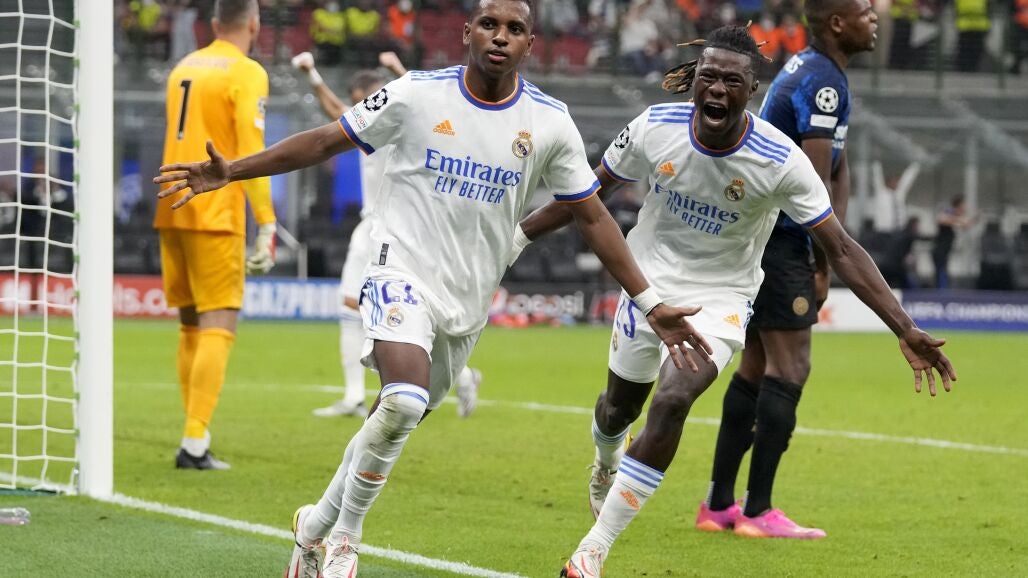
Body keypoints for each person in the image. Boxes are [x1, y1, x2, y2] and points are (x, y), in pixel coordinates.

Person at [154, 1, 709, 575]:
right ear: (468, 32)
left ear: (529, 44)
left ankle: (313, 525)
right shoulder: (415, 93)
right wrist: (233, 171)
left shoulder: (549, 122)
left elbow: (591, 215)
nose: (500, 37)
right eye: (489, 24)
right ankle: (345, 538)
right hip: (399, 268)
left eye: (515, 29)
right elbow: (324, 141)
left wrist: (649, 302)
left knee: (394, 417)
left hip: (468, 296)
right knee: (402, 400)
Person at [512, 25, 954, 576]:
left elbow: (840, 247)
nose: (717, 89)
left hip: (720, 301)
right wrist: (514, 240)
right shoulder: (654, 126)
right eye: (708, 77)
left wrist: (904, 327)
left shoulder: (779, 159)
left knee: (674, 399)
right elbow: (588, 193)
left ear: (751, 89)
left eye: (731, 81)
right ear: (693, 80)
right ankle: (606, 456)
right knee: (617, 409)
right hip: (646, 287)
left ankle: (591, 552)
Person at [699, 0, 879, 539]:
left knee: (756, 365)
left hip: (761, 236)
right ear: (837, 23)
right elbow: (815, 187)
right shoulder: (823, 82)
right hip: (782, 242)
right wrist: (824, 265)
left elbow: (836, 167)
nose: (874, 16)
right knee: (791, 366)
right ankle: (758, 511)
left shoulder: (812, 70)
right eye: (864, 9)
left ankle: (719, 505)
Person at [292, 50, 485, 419]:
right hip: (369, 227)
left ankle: (462, 377)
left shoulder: (401, 121)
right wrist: (313, 76)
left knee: (417, 318)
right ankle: (353, 396)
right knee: (350, 305)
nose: (359, 108)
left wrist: (395, 69)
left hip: (401, 229)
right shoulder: (365, 123)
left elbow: (429, 103)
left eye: (362, 100)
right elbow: (337, 113)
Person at [153, 0, 278, 471]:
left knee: (190, 324)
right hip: (216, 209)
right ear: (254, 24)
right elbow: (250, 147)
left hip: (171, 204)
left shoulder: (183, 66)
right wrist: (265, 219)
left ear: (212, 24)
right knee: (219, 322)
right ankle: (194, 442)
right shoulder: (246, 71)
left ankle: (195, 435)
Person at [931, 194, 974, 288]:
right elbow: (941, 220)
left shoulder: (955, 216)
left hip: (945, 251)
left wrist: (968, 221)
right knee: (941, 275)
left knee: (943, 273)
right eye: (963, 205)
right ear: (959, 205)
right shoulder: (949, 211)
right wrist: (958, 220)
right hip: (939, 250)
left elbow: (965, 225)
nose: (965, 208)